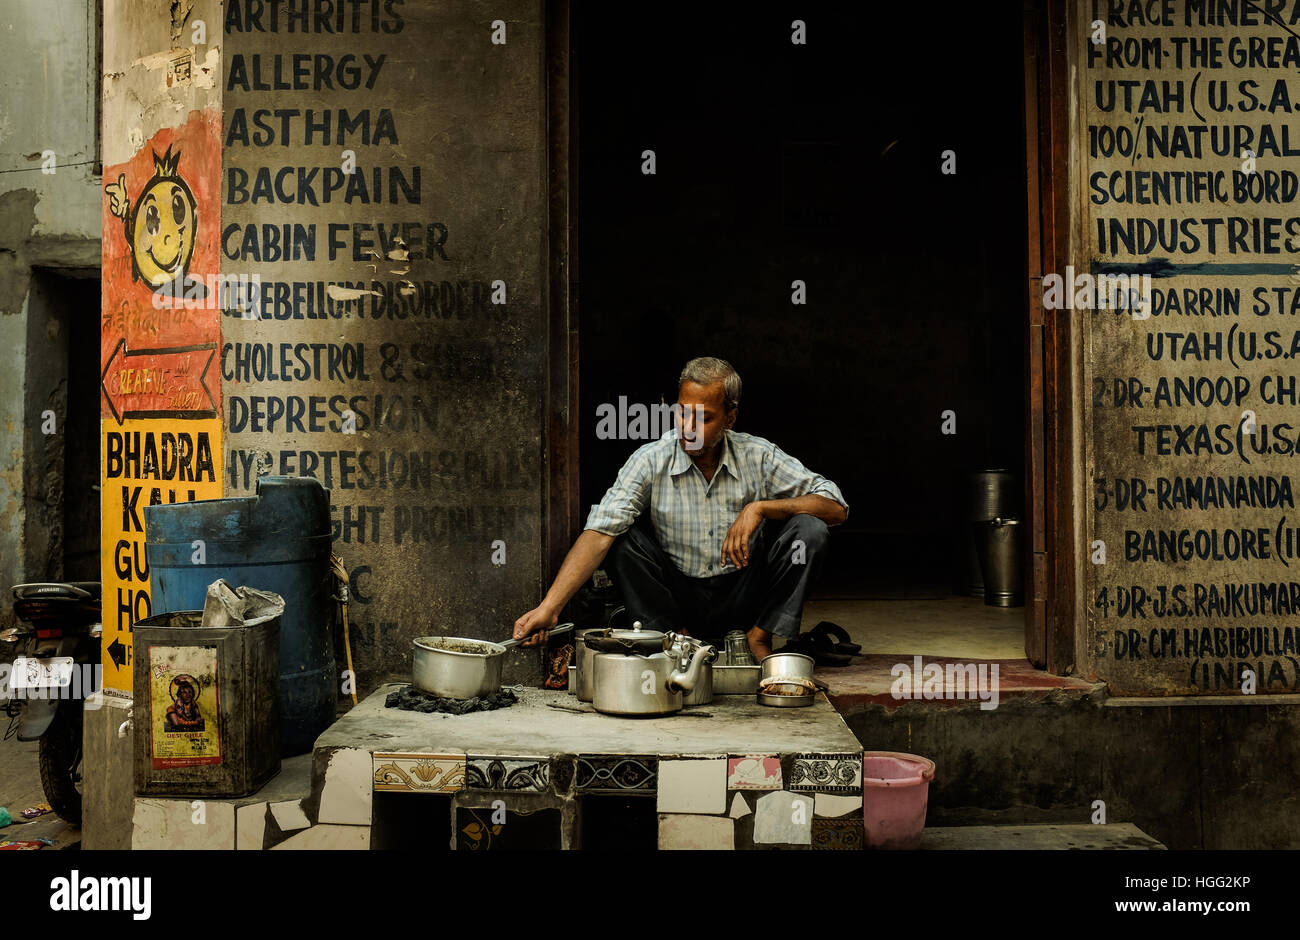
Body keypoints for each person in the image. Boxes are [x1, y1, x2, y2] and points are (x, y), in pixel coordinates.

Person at [513, 357, 848, 660]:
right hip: (679, 599)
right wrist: (550, 608)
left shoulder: (757, 455)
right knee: (621, 539)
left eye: (704, 418)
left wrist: (759, 508)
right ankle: (679, 641)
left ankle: (759, 638)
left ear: (730, 418)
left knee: (809, 530)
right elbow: (599, 532)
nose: (688, 427)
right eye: (683, 412)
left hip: (745, 592)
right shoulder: (651, 459)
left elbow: (835, 507)